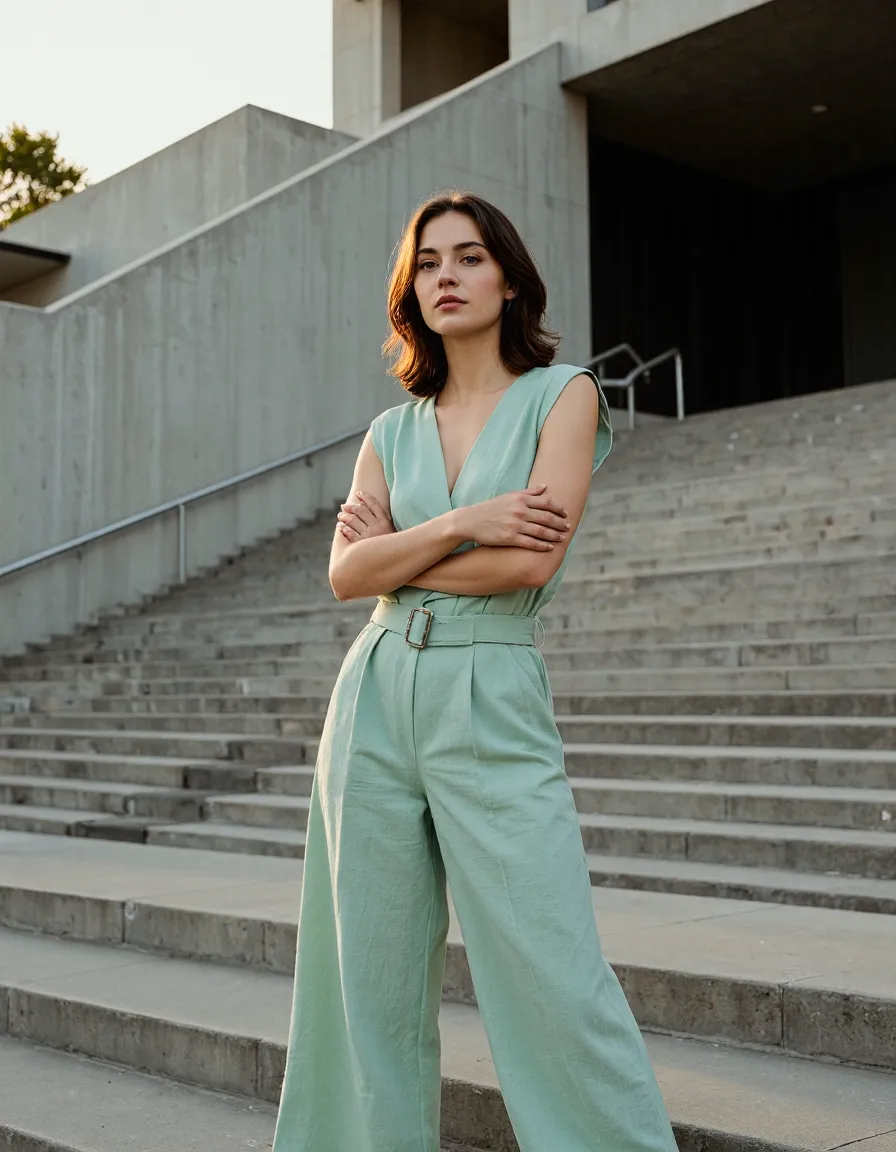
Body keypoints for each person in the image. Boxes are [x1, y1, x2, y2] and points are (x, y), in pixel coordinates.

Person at [272, 190, 677, 1152]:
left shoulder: (565, 394)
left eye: (468, 258)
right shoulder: (389, 431)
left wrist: (402, 549)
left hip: (489, 690)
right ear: (410, 290)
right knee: (360, 977)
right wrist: (460, 522)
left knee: (551, 967)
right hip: (373, 697)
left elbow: (531, 560)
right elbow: (344, 575)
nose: (445, 277)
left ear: (508, 278)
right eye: (428, 263)